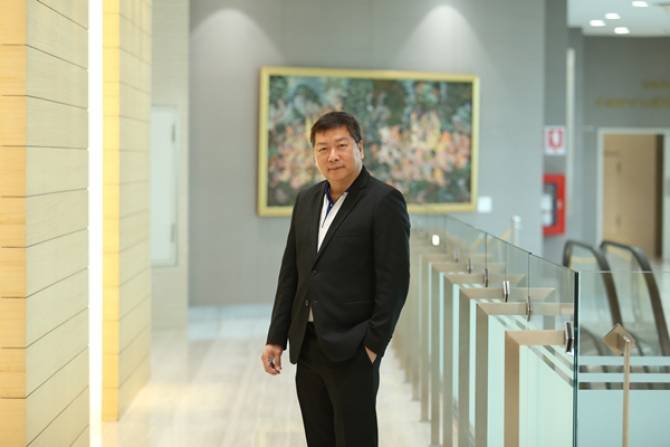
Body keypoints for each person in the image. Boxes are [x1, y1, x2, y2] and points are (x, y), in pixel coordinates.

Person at [261, 111, 410, 447]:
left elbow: (395, 283)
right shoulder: (306, 200)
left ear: (360, 148)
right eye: (323, 148)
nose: (332, 156)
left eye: (341, 145)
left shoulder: (384, 201)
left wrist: (372, 346)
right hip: (308, 344)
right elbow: (292, 274)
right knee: (319, 438)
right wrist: (276, 337)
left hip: (353, 347)